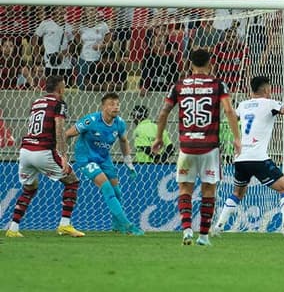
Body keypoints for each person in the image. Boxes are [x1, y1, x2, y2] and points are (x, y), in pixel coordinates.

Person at [212, 76, 284, 238]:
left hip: (240, 158)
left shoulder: (243, 105)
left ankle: (218, 226)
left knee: (238, 193)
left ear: (250, 90)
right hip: (258, 158)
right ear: (267, 90)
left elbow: (232, 116)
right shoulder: (270, 104)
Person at [152, 49, 241, 247]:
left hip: (186, 146)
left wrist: (159, 137)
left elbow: (164, 111)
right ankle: (203, 236)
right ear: (210, 63)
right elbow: (228, 110)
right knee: (208, 190)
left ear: (189, 63)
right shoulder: (218, 84)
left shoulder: (179, 85)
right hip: (209, 147)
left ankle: (186, 230)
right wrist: (236, 138)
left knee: (185, 188)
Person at [5, 76, 84, 238]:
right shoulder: (59, 104)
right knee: (72, 182)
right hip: (43, 150)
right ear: (60, 88)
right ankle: (64, 224)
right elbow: (60, 129)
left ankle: (12, 228)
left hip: (26, 151)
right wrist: (62, 155)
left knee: (29, 189)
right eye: (64, 86)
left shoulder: (36, 103)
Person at [65, 92, 143, 236]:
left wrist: (129, 164)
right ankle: (128, 225)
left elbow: (124, 141)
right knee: (107, 188)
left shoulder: (119, 123)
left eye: (117, 104)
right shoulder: (91, 120)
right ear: (104, 107)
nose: (116, 107)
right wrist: (63, 156)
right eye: (112, 104)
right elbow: (67, 134)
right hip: (86, 159)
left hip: (104, 158)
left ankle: (117, 226)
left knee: (117, 192)